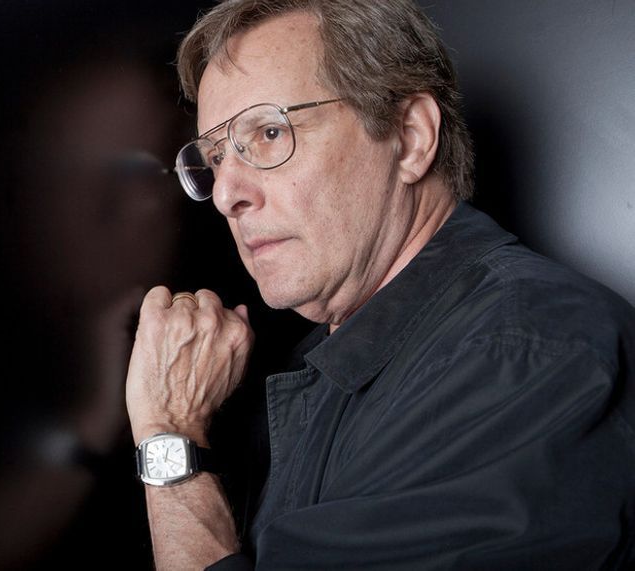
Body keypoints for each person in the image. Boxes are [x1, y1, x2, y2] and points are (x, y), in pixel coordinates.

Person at [124, 1, 635, 569]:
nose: (225, 194)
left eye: (269, 133)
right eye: (216, 158)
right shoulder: (346, 360)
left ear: (411, 137)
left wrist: (170, 436)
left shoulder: (524, 350)